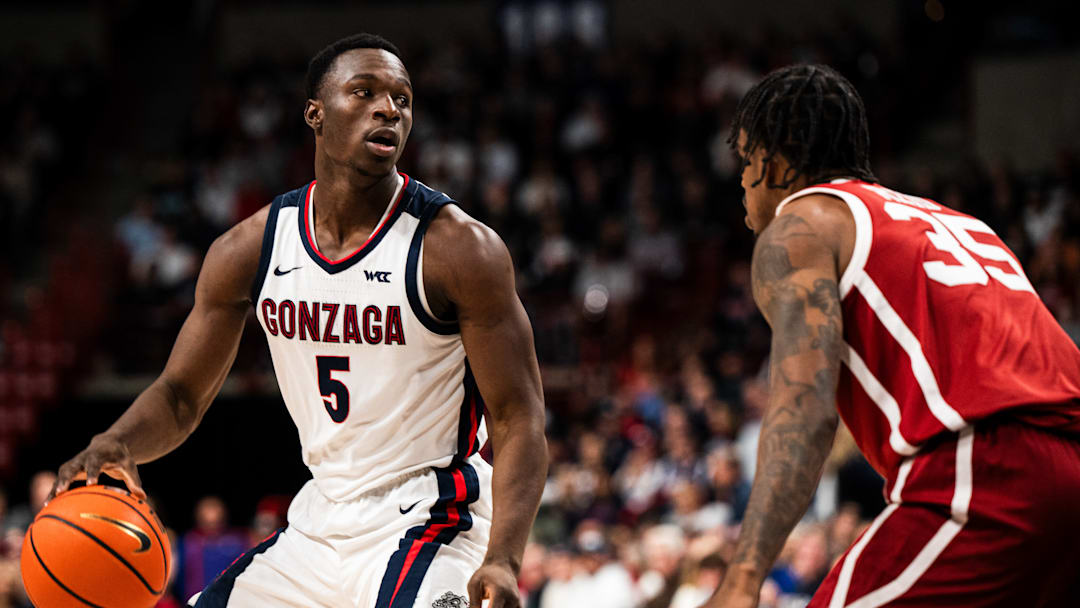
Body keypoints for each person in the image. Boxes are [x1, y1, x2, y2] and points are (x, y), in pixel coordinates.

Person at [50, 33, 548, 608]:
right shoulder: (250, 248)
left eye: (402, 99)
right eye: (364, 92)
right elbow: (182, 396)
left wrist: (505, 559)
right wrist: (117, 443)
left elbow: (519, 418)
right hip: (319, 517)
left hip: (433, 515)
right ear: (315, 113)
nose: (389, 108)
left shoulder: (459, 250)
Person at [707, 64, 1080, 607]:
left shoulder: (801, 226)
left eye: (746, 158)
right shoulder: (966, 224)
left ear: (776, 156)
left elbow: (804, 408)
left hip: (988, 474)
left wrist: (743, 576)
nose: (741, 179)